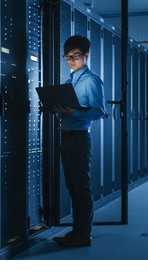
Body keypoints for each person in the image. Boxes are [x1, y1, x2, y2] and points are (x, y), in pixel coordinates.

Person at [52, 35, 107, 247]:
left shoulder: (91, 80)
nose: (71, 60)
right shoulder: (69, 82)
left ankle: (83, 235)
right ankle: (77, 231)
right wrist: (58, 110)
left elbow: (99, 112)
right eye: (68, 56)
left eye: (76, 56)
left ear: (85, 55)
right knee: (73, 187)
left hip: (79, 139)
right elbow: (66, 111)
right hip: (65, 137)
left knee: (81, 188)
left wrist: (73, 111)